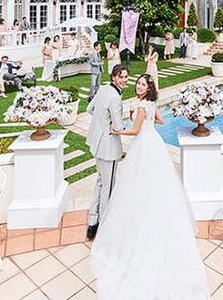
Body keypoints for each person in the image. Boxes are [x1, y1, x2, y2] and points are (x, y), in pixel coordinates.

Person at [91, 74, 210, 299]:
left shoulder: (141, 105)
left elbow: (135, 131)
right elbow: (161, 121)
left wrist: (117, 131)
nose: (138, 86)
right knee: (156, 183)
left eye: (142, 84)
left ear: (148, 88)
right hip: (154, 142)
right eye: (138, 83)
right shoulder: (150, 102)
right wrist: (147, 121)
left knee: (137, 182)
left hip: (143, 145)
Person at [85, 64, 129, 240]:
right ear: (113, 77)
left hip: (97, 143)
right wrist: (115, 125)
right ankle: (105, 225)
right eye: (121, 77)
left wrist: (102, 123)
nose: (124, 80)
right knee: (108, 187)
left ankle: (93, 222)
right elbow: (118, 127)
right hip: (108, 148)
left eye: (125, 77)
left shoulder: (103, 89)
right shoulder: (115, 98)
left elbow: (90, 109)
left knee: (100, 182)